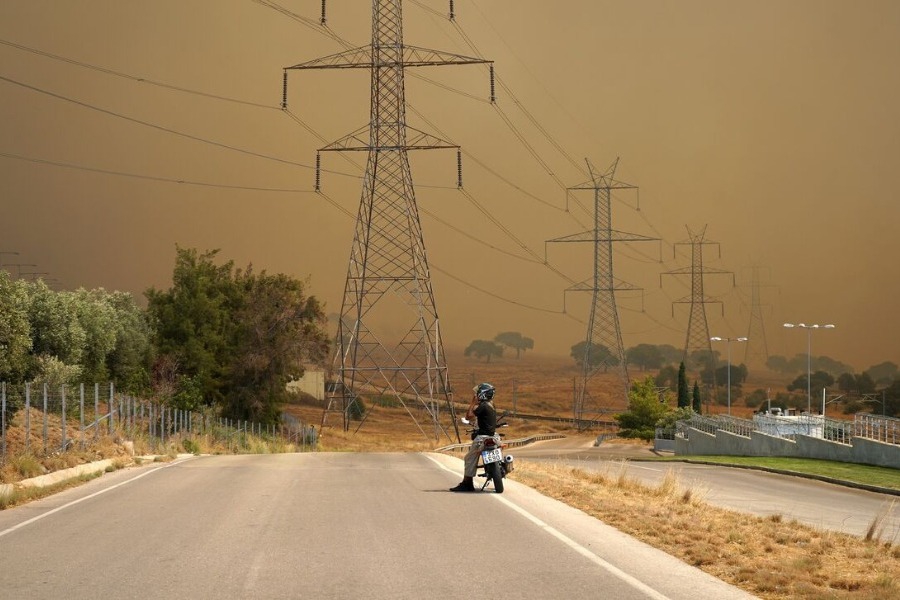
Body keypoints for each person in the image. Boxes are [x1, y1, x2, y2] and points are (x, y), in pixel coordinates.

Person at [449, 382, 497, 492]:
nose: (476, 395)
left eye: (478, 393)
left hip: (482, 437)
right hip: (492, 436)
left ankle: (467, 484)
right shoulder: (491, 405)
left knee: (469, 458)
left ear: (483, 394)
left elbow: (469, 416)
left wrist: (472, 403)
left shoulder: (483, 406)